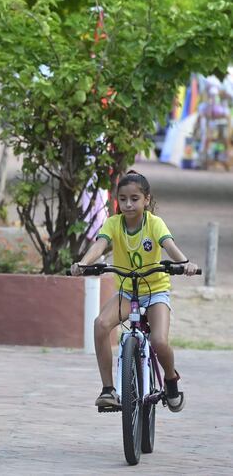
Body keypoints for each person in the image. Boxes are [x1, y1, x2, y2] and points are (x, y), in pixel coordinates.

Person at [70, 170, 198, 413]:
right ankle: (108, 389)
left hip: (155, 292)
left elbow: (170, 247)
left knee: (159, 341)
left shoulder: (154, 223)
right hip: (128, 293)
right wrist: (83, 263)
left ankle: (170, 380)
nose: (128, 204)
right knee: (100, 325)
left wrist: (185, 264)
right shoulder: (113, 223)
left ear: (146, 199)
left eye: (135, 198)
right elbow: (100, 246)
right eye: (123, 199)